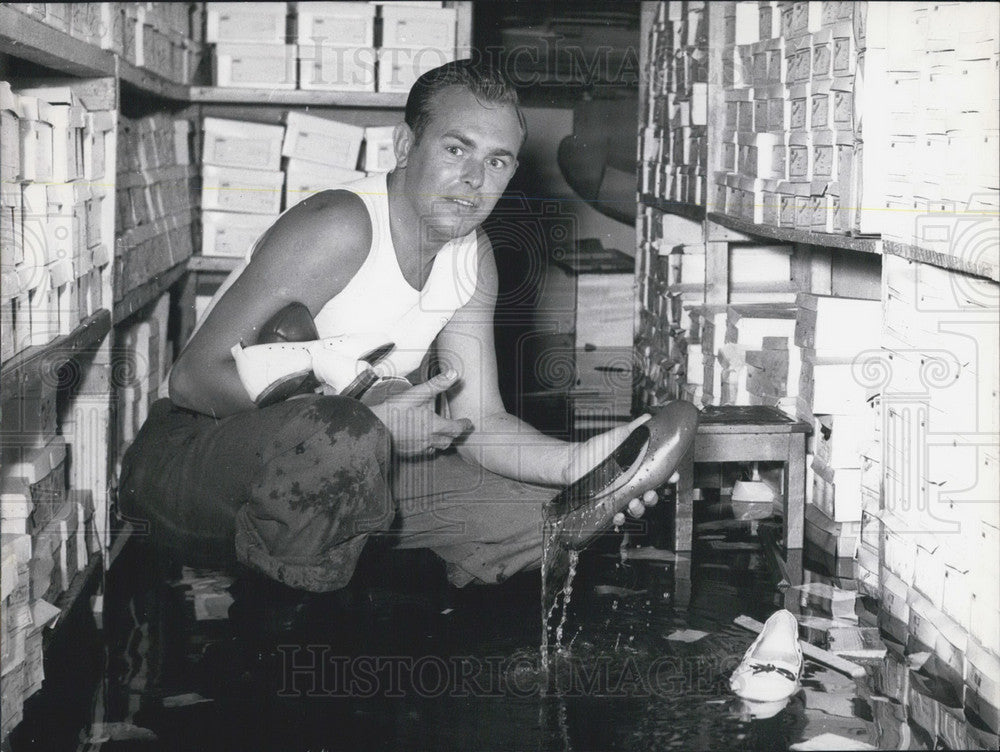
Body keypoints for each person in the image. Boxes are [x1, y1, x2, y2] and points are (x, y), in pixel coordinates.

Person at [118, 60, 663, 598]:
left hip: (340, 454)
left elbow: (480, 419)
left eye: (497, 162)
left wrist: (580, 462)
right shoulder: (341, 225)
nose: (474, 179)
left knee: (535, 519)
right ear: (405, 146)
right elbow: (192, 379)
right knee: (345, 437)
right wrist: (374, 421)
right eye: (456, 149)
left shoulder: (472, 257)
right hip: (189, 458)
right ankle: (285, 651)